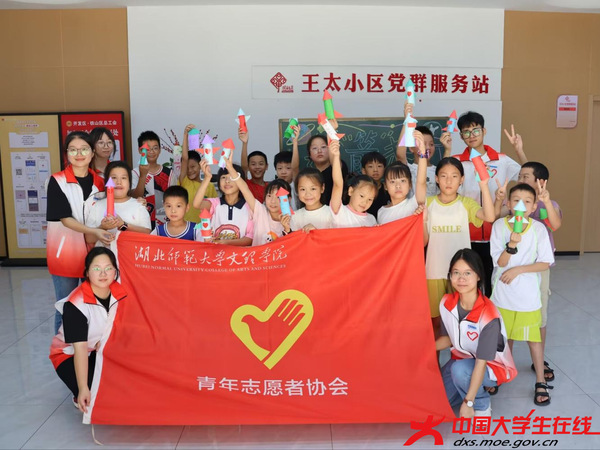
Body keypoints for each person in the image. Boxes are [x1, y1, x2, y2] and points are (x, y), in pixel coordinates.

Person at [490, 183, 555, 406]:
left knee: (533, 339)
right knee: (504, 337)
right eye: (516, 200)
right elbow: (499, 262)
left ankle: (540, 381)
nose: (521, 205)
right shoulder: (499, 226)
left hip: (528, 296)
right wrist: (511, 244)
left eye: (527, 201)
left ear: (534, 206)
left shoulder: (538, 229)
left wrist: (518, 270)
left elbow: (545, 262)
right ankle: (501, 373)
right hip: (502, 294)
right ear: (508, 204)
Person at [436, 248, 517, 418]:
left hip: (491, 366)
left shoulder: (489, 315)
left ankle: (481, 403)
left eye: (468, 273)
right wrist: (420, 349)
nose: (461, 279)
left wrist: (469, 402)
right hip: (462, 360)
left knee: (460, 371)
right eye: (456, 273)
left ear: (478, 276)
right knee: (437, 401)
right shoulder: (446, 303)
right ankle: (466, 388)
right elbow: (448, 339)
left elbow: (481, 362)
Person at [46, 131, 113, 333]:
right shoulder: (57, 181)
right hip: (64, 254)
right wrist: (95, 231)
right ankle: (62, 350)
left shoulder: (100, 183)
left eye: (84, 149)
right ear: (67, 154)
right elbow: (65, 219)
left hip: (94, 254)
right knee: (66, 305)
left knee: (93, 305)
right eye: (73, 150)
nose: (79, 154)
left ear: (92, 153)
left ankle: (88, 347)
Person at [453, 112, 525, 295]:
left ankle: (491, 310)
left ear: (484, 131)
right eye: (466, 132)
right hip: (466, 230)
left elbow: (527, 175)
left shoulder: (501, 160)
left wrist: (519, 150)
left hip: (496, 230)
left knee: (494, 279)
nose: (471, 135)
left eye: (475, 130)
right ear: (461, 136)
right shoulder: (457, 161)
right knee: (468, 279)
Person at [49, 247, 126, 412]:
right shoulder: (75, 304)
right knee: (99, 397)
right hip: (70, 355)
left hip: (103, 348)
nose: (103, 274)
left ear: (115, 272)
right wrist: (83, 388)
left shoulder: (122, 293)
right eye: (96, 269)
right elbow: (80, 350)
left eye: (108, 268)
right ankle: (78, 391)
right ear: (87, 272)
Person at [424, 157, 495, 337]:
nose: (449, 181)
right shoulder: (427, 203)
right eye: (444, 176)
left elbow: (489, 216)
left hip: (461, 275)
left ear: (462, 179)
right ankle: (434, 356)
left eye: (454, 176)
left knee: (461, 319)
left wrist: (484, 186)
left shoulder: (466, 203)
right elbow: (423, 240)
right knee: (435, 322)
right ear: (437, 178)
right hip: (434, 271)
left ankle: (460, 353)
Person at [518, 161, 562, 382]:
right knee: (509, 314)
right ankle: (502, 364)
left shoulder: (548, 204)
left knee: (539, 316)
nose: (520, 180)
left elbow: (554, 225)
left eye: (525, 177)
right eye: (519, 176)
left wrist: (545, 202)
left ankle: (539, 360)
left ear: (540, 182)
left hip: (539, 268)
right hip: (515, 267)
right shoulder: (514, 203)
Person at [224, 150, 292, 246]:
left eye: (278, 197)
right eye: (269, 196)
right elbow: (245, 189)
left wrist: (287, 229)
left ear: (289, 199)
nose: (273, 201)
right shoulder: (260, 212)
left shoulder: (293, 220)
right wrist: (231, 169)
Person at [85, 161, 151, 253]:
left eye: (123, 178)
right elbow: (89, 239)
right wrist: (103, 227)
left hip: (130, 257)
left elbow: (147, 233)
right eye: (114, 178)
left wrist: (123, 225)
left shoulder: (138, 205)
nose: (118, 182)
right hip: (104, 258)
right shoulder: (97, 205)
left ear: (129, 183)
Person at [396, 102, 453, 198]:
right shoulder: (408, 169)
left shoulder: (437, 170)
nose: (427, 147)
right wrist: (407, 122)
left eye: (431, 144)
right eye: (422, 143)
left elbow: (444, 169)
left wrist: (447, 149)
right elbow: (400, 155)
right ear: (411, 148)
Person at [192, 160, 254, 246]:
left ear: (241, 182)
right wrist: (207, 178)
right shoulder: (215, 203)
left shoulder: (249, 207)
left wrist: (227, 242)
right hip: (216, 253)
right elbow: (196, 204)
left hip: (238, 254)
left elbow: (250, 238)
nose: (227, 181)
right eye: (223, 177)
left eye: (232, 177)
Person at [377, 131, 428, 225]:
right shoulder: (381, 212)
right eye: (392, 182)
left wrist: (423, 152)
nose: (398, 186)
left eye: (403, 181)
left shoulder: (414, 204)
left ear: (410, 184)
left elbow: (421, 182)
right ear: (385, 186)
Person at [292, 129, 349, 206]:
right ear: (309, 154)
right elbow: (294, 169)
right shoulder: (309, 175)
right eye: (314, 148)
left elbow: (335, 158)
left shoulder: (337, 168)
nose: (319, 151)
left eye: (323, 147)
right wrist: (295, 142)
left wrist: (330, 130)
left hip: (334, 211)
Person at [329, 140, 377, 228]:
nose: (365, 202)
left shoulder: (372, 219)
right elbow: (338, 184)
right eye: (362, 196)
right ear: (351, 191)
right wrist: (336, 156)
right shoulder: (339, 211)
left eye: (370, 199)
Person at [131, 130, 171, 228]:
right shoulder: (134, 173)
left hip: (165, 222)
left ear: (160, 150)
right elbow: (135, 197)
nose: (152, 152)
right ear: (140, 151)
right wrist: (143, 175)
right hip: (142, 222)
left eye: (155, 148)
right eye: (147, 149)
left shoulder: (169, 173)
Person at [180, 124, 218, 223]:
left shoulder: (209, 186)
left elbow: (215, 209)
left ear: (200, 165)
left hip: (204, 227)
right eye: (187, 168)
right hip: (186, 227)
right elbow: (184, 159)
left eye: (193, 167)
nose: (190, 170)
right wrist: (185, 135)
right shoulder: (184, 181)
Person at [290, 168, 333, 232]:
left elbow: (335, 237)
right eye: (303, 189)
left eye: (313, 189)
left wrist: (315, 232)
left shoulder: (331, 214)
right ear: (297, 190)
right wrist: (287, 228)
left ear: (322, 188)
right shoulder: (295, 216)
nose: (308, 194)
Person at [239, 128, 269, 203]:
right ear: (248, 167)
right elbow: (243, 167)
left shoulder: (270, 187)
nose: (257, 167)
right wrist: (245, 143)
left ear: (266, 166)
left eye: (261, 164)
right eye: (253, 164)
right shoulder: (246, 184)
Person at [361, 151, 390, 216]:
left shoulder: (389, 190)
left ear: (384, 169)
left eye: (379, 166)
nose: (375, 170)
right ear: (364, 171)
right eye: (370, 166)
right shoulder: (359, 191)